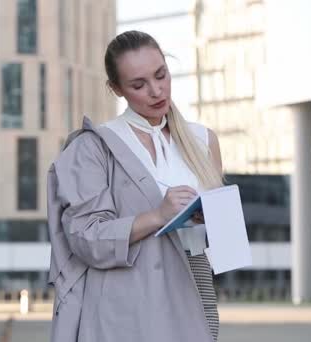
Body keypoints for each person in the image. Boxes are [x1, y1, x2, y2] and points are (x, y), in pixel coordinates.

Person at [47, 30, 224, 342]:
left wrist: (211, 221)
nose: (156, 91)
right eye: (139, 85)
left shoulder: (203, 140)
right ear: (116, 89)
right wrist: (159, 215)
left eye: (161, 75)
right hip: (122, 310)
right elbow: (85, 238)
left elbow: (220, 242)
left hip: (192, 295)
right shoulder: (93, 147)